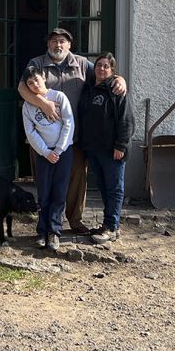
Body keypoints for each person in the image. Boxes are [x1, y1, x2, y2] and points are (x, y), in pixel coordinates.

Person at [18, 27, 126, 236]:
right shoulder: (37, 63)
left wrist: (121, 79)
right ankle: (47, 226)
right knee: (45, 182)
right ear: (48, 44)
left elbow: (105, 73)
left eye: (62, 42)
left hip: (74, 137)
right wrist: (43, 104)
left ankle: (75, 221)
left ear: (69, 45)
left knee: (77, 181)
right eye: (54, 41)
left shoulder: (82, 63)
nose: (58, 45)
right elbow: (22, 88)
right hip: (42, 138)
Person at [78, 53, 135, 244]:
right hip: (94, 149)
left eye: (106, 66)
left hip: (112, 150)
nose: (101, 69)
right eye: (99, 65)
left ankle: (111, 227)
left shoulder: (116, 90)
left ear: (112, 70)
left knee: (114, 188)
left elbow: (126, 121)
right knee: (103, 188)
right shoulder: (89, 89)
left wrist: (121, 145)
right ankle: (111, 225)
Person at [20, 65, 74, 252]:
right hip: (43, 154)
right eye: (30, 83)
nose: (34, 84)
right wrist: (45, 152)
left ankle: (54, 231)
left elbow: (68, 123)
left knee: (59, 192)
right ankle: (41, 231)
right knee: (44, 192)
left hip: (63, 152)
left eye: (36, 79)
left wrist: (58, 150)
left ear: (43, 77)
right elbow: (31, 132)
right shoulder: (28, 106)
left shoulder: (59, 97)